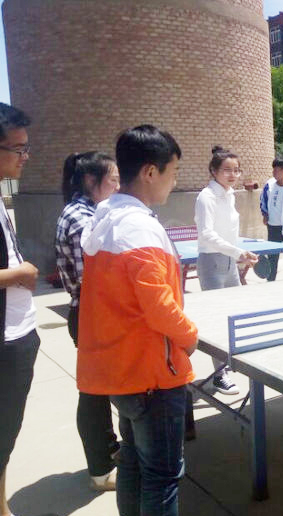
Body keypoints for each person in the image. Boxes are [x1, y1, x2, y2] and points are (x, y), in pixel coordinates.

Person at [78, 124, 198, 516]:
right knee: (162, 477)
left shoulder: (106, 217)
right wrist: (190, 336)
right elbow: (159, 306)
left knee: (131, 460)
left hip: (122, 369)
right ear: (150, 172)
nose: (174, 182)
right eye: (173, 172)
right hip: (151, 374)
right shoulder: (139, 228)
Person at [54, 151, 121, 491]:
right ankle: (101, 470)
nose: (119, 186)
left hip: (93, 314)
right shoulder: (83, 218)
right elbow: (95, 280)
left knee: (99, 389)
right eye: (113, 180)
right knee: (94, 393)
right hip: (93, 315)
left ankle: (108, 452)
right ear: (92, 181)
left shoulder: (90, 211)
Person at [0, 103, 39, 516]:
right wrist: (18, 273)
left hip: (18, 332)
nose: (25, 157)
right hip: (6, 342)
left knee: (5, 435)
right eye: (18, 149)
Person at [194, 145, 257, 395]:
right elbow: (206, 234)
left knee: (235, 313)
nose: (233, 175)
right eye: (227, 170)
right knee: (217, 318)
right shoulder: (206, 197)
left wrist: (240, 254)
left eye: (236, 170)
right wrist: (237, 252)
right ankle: (219, 375)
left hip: (229, 261)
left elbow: (228, 232)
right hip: (211, 261)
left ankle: (230, 364)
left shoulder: (229, 194)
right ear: (214, 171)